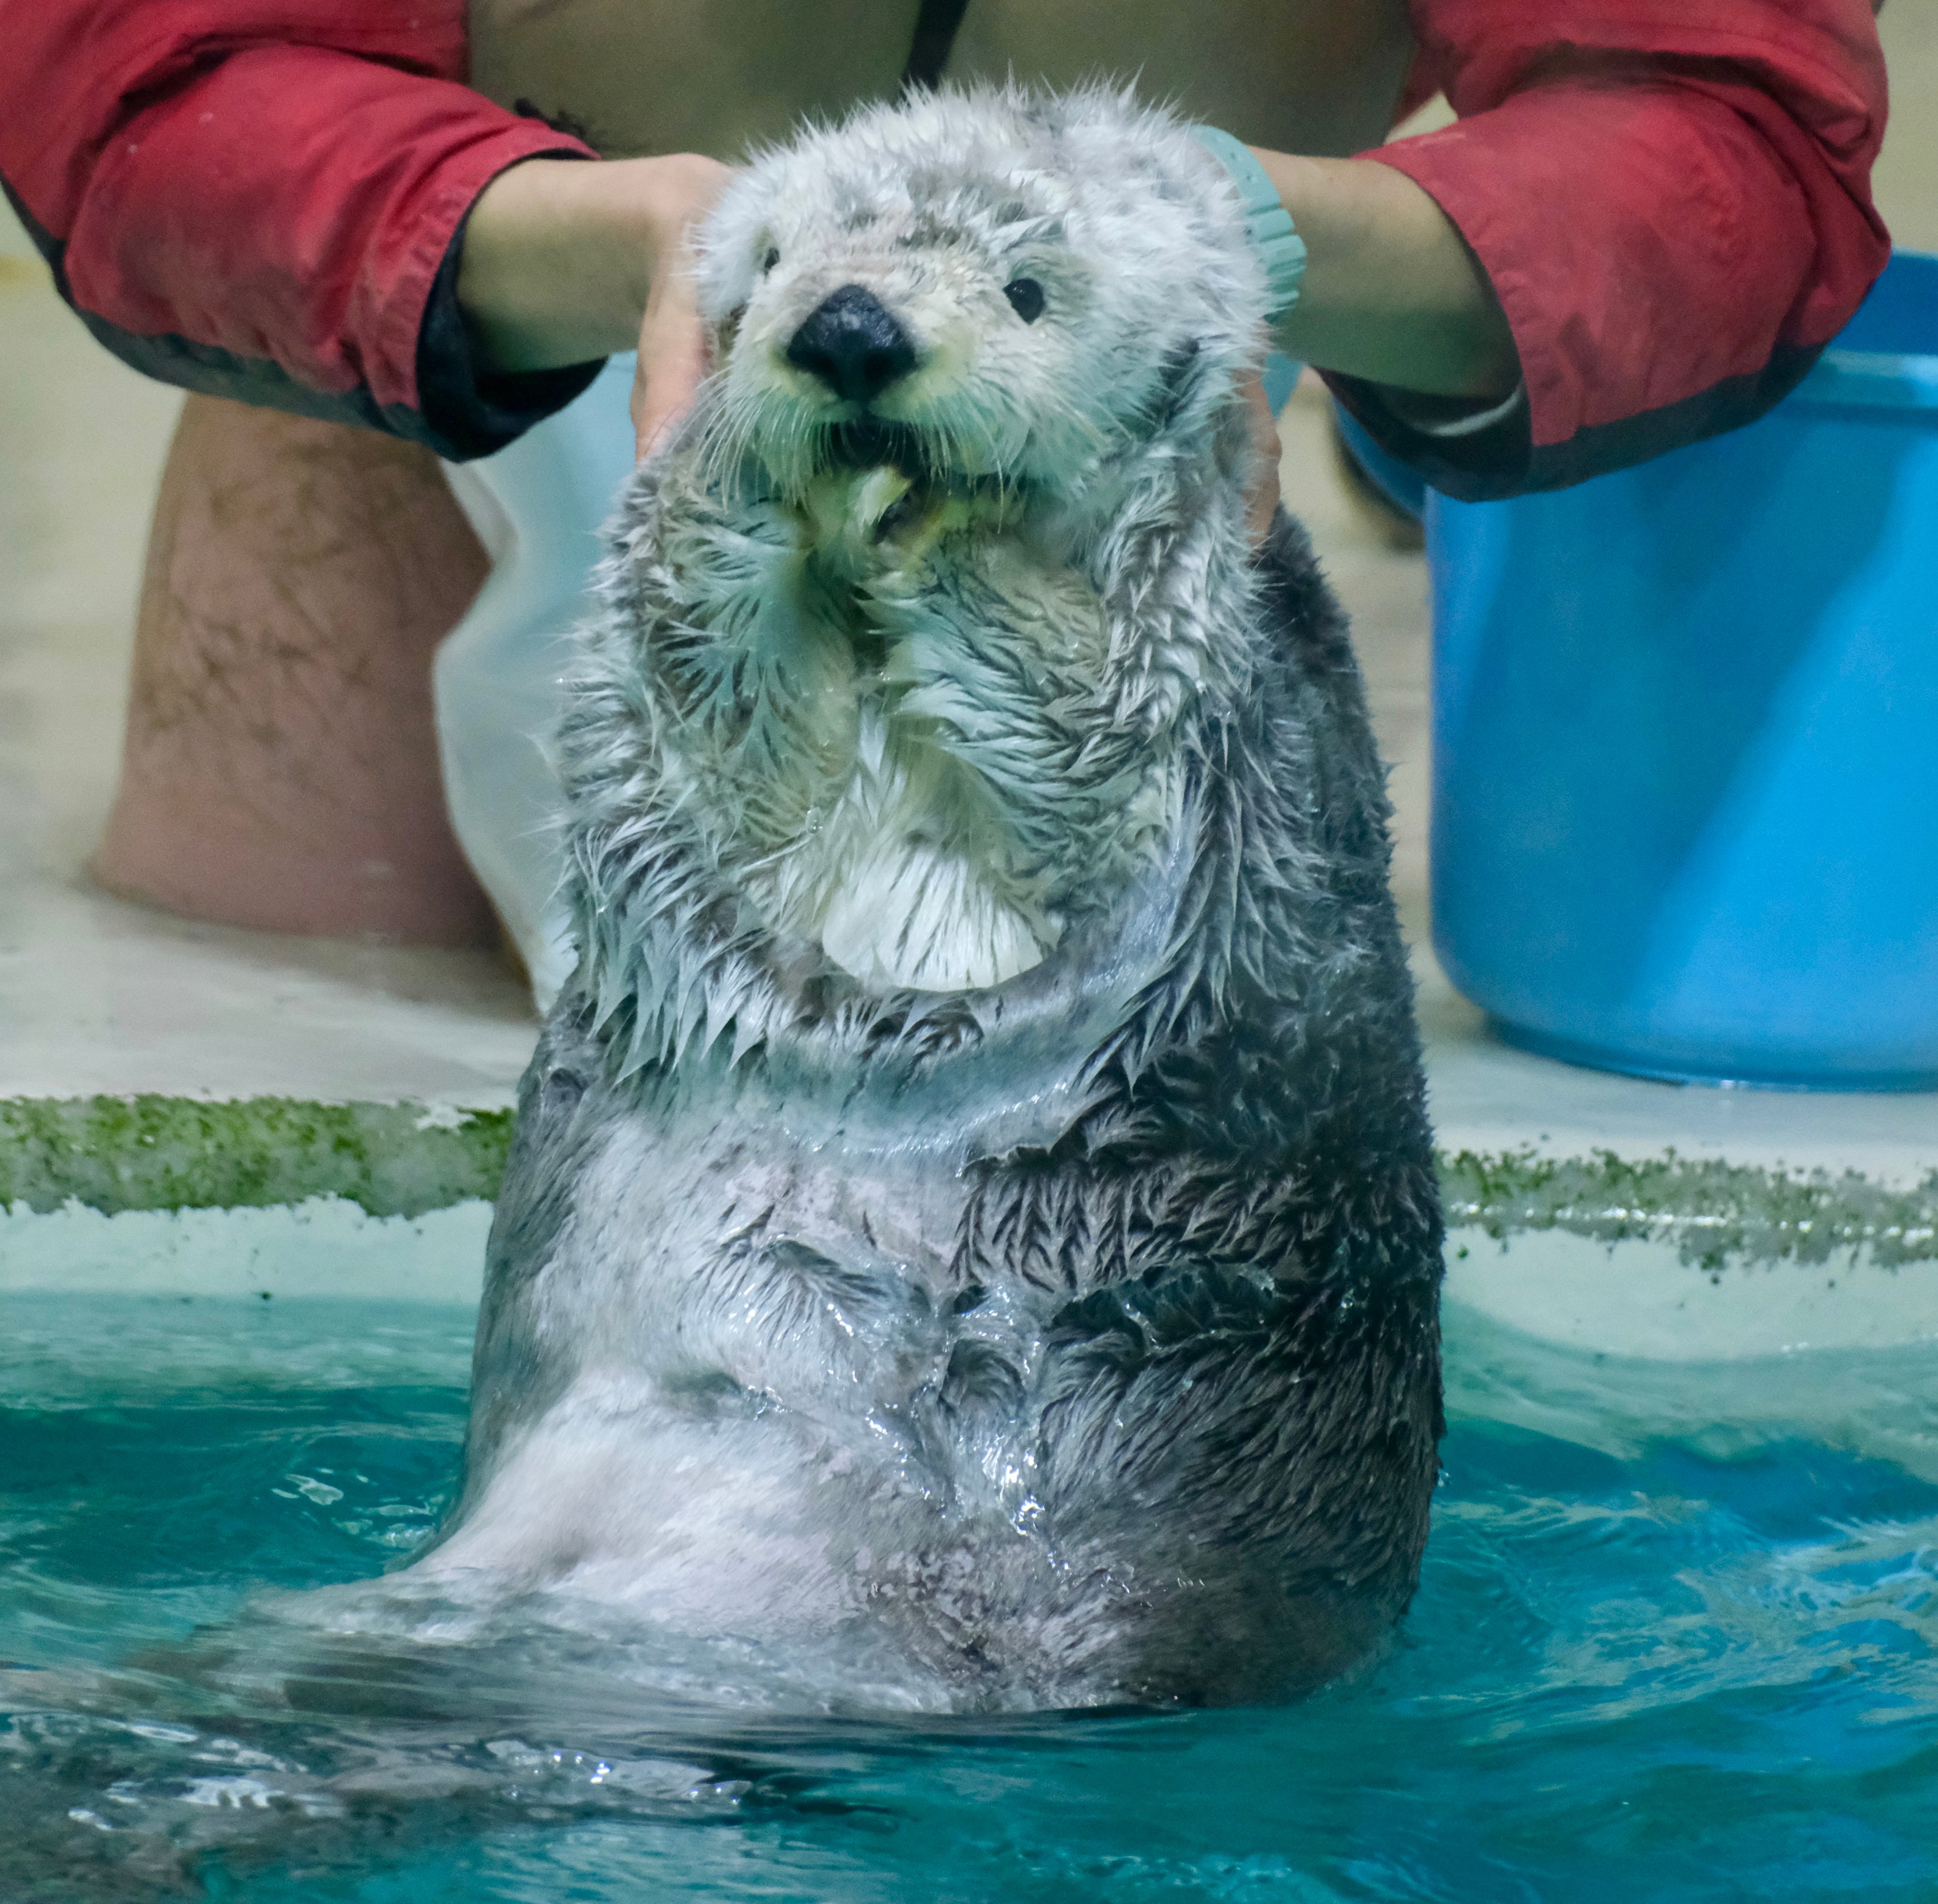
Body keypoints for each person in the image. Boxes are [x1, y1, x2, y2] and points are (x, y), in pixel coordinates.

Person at [0, 0, 1891, 959]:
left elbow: (1717, 123)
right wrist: (573, 242)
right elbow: (157, 66)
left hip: (1107, 451)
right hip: (467, 378)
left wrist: (1245, 233)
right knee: (299, 1126)